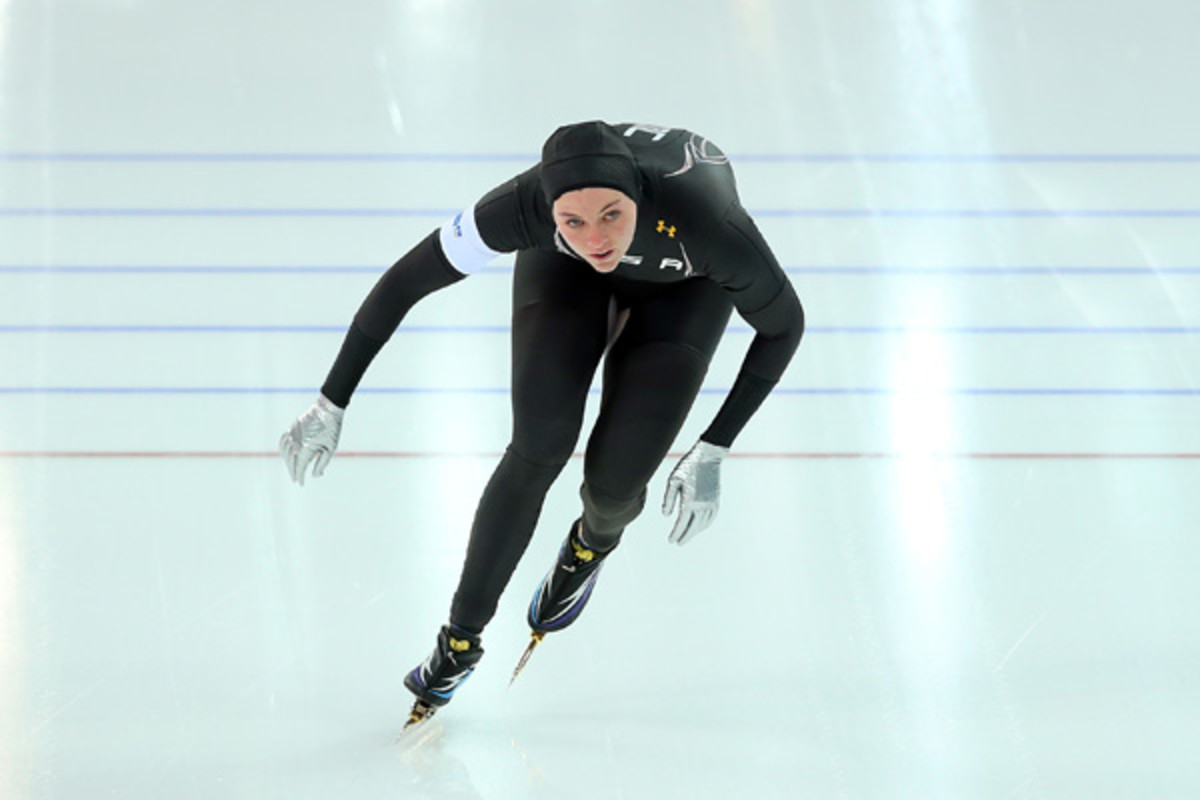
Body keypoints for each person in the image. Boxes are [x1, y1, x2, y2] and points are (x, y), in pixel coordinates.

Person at [280, 121, 805, 726]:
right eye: (574, 221)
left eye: (612, 215)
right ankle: (459, 640)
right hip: (564, 280)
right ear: (548, 209)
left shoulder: (706, 218)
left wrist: (715, 446)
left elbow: (784, 325)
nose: (597, 238)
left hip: (682, 293)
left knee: (614, 486)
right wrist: (331, 400)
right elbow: (404, 282)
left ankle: (590, 546)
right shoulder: (520, 208)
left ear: (638, 194)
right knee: (539, 444)